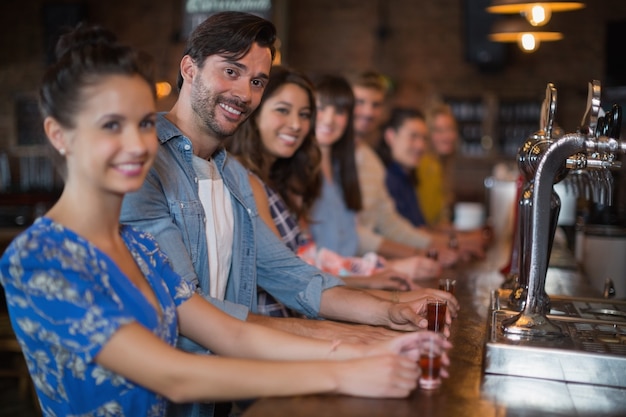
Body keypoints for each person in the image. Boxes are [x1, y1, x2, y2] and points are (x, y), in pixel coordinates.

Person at [0, 23, 452, 417]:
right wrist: (343, 371)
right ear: (59, 135)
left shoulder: (139, 250)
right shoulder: (40, 258)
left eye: (142, 123)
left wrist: (368, 339)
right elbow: (174, 374)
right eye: (111, 125)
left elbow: (234, 333)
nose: (139, 144)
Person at [119, 9, 457, 385]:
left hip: (221, 394)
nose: (244, 94)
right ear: (189, 68)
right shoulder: (142, 162)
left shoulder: (234, 175)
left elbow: (292, 275)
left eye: (258, 81)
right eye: (231, 71)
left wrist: (386, 313)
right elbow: (187, 310)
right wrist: (343, 342)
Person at [228, 67, 441, 297]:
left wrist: (378, 276)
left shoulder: (330, 167)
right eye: (283, 110)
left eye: (304, 114)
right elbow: (291, 273)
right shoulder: (250, 177)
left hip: (325, 292)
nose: (296, 124)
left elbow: (311, 256)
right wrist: (380, 275)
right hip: (306, 303)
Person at [348, 71, 487, 263]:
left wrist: (444, 246)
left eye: (376, 104)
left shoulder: (373, 163)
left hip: (365, 268)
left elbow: (392, 224)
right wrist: (446, 245)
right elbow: (356, 233)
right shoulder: (385, 171)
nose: (368, 112)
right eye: (360, 102)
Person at [377, 107, 429, 228]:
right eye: (413, 136)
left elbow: (419, 226)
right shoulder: (385, 178)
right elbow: (403, 233)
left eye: (424, 138)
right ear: (390, 136)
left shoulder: (406, 176)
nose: (420, 146)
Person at [417, 103, 459, 228]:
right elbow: (428, 220)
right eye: (439, 130)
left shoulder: (440, 165)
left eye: (451, 129)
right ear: (427, 134)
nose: (448, 136)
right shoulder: (427, 165)